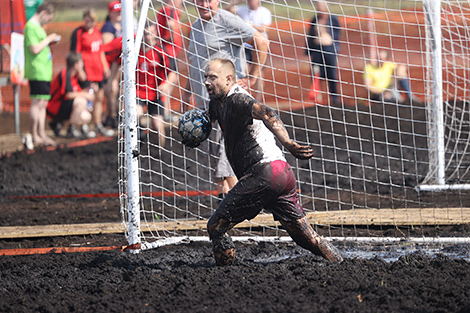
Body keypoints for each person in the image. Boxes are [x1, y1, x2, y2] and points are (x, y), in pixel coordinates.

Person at [204, 58, 343, 265]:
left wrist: (287, 142)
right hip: (282, 174)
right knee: (306, 237)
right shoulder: (217, 102)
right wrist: (194, 130)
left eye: (212, 77)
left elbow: (268, 113)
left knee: (216, 226)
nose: (207, 82)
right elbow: (207, 121)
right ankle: (340, 262)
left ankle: (226, 277)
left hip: (264, 173)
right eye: (205, 77)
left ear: (228, 79)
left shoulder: (238, 99)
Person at [182, 0, 269, 200]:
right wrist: (188, 92)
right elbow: (197, 63)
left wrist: (252, 76)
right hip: (205, 105)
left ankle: (237, 204)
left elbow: (261, 42)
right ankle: (233, 203)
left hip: (227, 103)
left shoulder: (227, 20)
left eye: (209, 0)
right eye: (199, 0)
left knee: (225, 159)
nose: (204, 4)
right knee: (216, 161)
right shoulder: (195, 27)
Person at [70, 8, 112, 137]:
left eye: (91, 21)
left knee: (99, 98)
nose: (89, 23)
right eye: (87, 20)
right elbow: (76, 53)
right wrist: (80, 70)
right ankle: (82, 125)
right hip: (87, 71)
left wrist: (105, 67)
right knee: (87, 98)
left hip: (98, 70)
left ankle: (98, 124)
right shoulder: (79, 33)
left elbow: (100, 51)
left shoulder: (97, 33)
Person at [23, 2, 60, 148]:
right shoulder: (30, 26)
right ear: (44, 13)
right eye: (48, 18)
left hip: (44, 71)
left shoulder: (37, 27)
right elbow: (34, 48)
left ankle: (41, 133)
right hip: (36, 70)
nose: (48, 22)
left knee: (43, 103)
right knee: (37, 102)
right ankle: (35, 134)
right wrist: (49, 39)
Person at [136, 23, 175, 146]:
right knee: (134, 115)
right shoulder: (135, 50)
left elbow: (173, 73)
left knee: (157, 125)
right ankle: (138, 142)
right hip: (139, 93)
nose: (148, 37)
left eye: (151, 33)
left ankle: (160, 153)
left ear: (156, 34)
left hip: (156, 94)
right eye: (146, 33)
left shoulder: (161, 52)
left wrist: (166, 84)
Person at [46, 53, 94, 138]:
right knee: (81, 101)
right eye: (81, 63)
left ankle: (59, 124)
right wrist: (85, 95)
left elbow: (81, 90)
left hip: (65, 106)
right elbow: (68, 95)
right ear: (76, 65)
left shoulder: (76, 76)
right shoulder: (65, 73)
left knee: (87, 117)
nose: (82, 65)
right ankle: (71, 129)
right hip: (54, 106)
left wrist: (83, 77)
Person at [306, 0, 341, 105]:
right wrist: (309, 50)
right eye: (318, 6)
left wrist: (325, 33)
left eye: (321, 5)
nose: (319, 8)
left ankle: (335, 99)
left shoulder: (332, 19)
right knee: (316, 74)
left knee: (331, 74)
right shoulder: (314, 20)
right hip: (317, 51)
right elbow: (310, 36)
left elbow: (337, 33)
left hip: (329, 50)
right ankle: (317, 99)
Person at [236, 0, 271, 100]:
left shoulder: (264, 11)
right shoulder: (241, 9)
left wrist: (251, 26)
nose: (250, 2)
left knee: (258, 72)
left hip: (260, 47)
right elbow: (226, 9)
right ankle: (244, 97)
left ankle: (259, 99)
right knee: (243, 70)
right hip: (245, 46)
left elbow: (266, 29)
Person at [156, 0, 184, 120]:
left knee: (171, 79)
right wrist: (173, 38)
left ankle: (165, 110)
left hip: (168, 49)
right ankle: (164, 110)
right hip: (169, 50)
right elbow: (171, 24)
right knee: (170, 79)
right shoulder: (169, 9)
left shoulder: (166, 9)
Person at [102, 1, 122, 129]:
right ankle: (111, 117)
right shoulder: (108, 27)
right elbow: (107, 48)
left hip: (118, 63)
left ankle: (111, 115)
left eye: (120, 11)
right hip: (110, 64)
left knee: (117, 89)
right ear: (110, 13)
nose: (119, 14)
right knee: (112, 89)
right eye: (116, 12)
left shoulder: (121, 26)